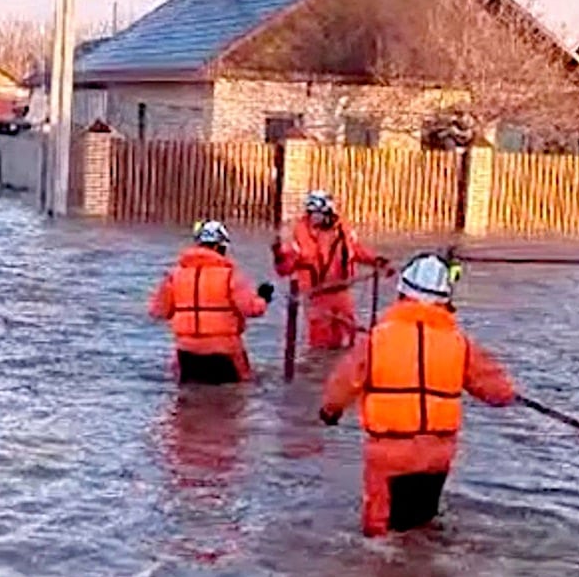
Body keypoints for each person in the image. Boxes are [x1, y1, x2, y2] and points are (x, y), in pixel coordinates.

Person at [318, 253, 517, 537]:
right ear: (445, 300)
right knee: (423, 527)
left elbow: (343, 384)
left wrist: (330, 411)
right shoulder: (459, 343)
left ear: (402, 292)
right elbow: (500, 392)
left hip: (390, 454)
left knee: (381, 537)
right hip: (438, 455)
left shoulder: (376, 340)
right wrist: (509, 392)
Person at [150, 220, 273, 384]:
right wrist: (263, 298)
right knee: (235, 398)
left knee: (188, 401)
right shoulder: (230, 275)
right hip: (225, 351)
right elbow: (251, 309)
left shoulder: (174, 276)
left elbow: (158, 311)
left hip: (186, 353)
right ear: (220, 247)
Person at [273, 191, 388, 349]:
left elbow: (356, 250)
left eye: (317, 213)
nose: (314, 217)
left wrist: (377, 261)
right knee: (321, 343)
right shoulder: (299, 234)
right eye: (311, 213)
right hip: (316, 295)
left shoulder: (342, 229)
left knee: (350, 336)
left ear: (328, 212)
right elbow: (285, 268)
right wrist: (279, 256)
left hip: (341, 291)